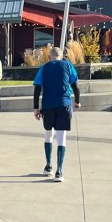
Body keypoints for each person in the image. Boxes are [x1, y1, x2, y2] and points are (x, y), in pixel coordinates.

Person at [32, 46, 81, 182]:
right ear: (62, 56)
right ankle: (59, 171)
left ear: (49, 57)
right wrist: (77, 101)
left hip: (48, 105)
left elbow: (37, 88)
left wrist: (36, 108)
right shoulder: (68, 66)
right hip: (64, 104)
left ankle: (48, 166)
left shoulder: (44, 68)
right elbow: (75, 85)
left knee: (48, 134)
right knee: (61, 137)